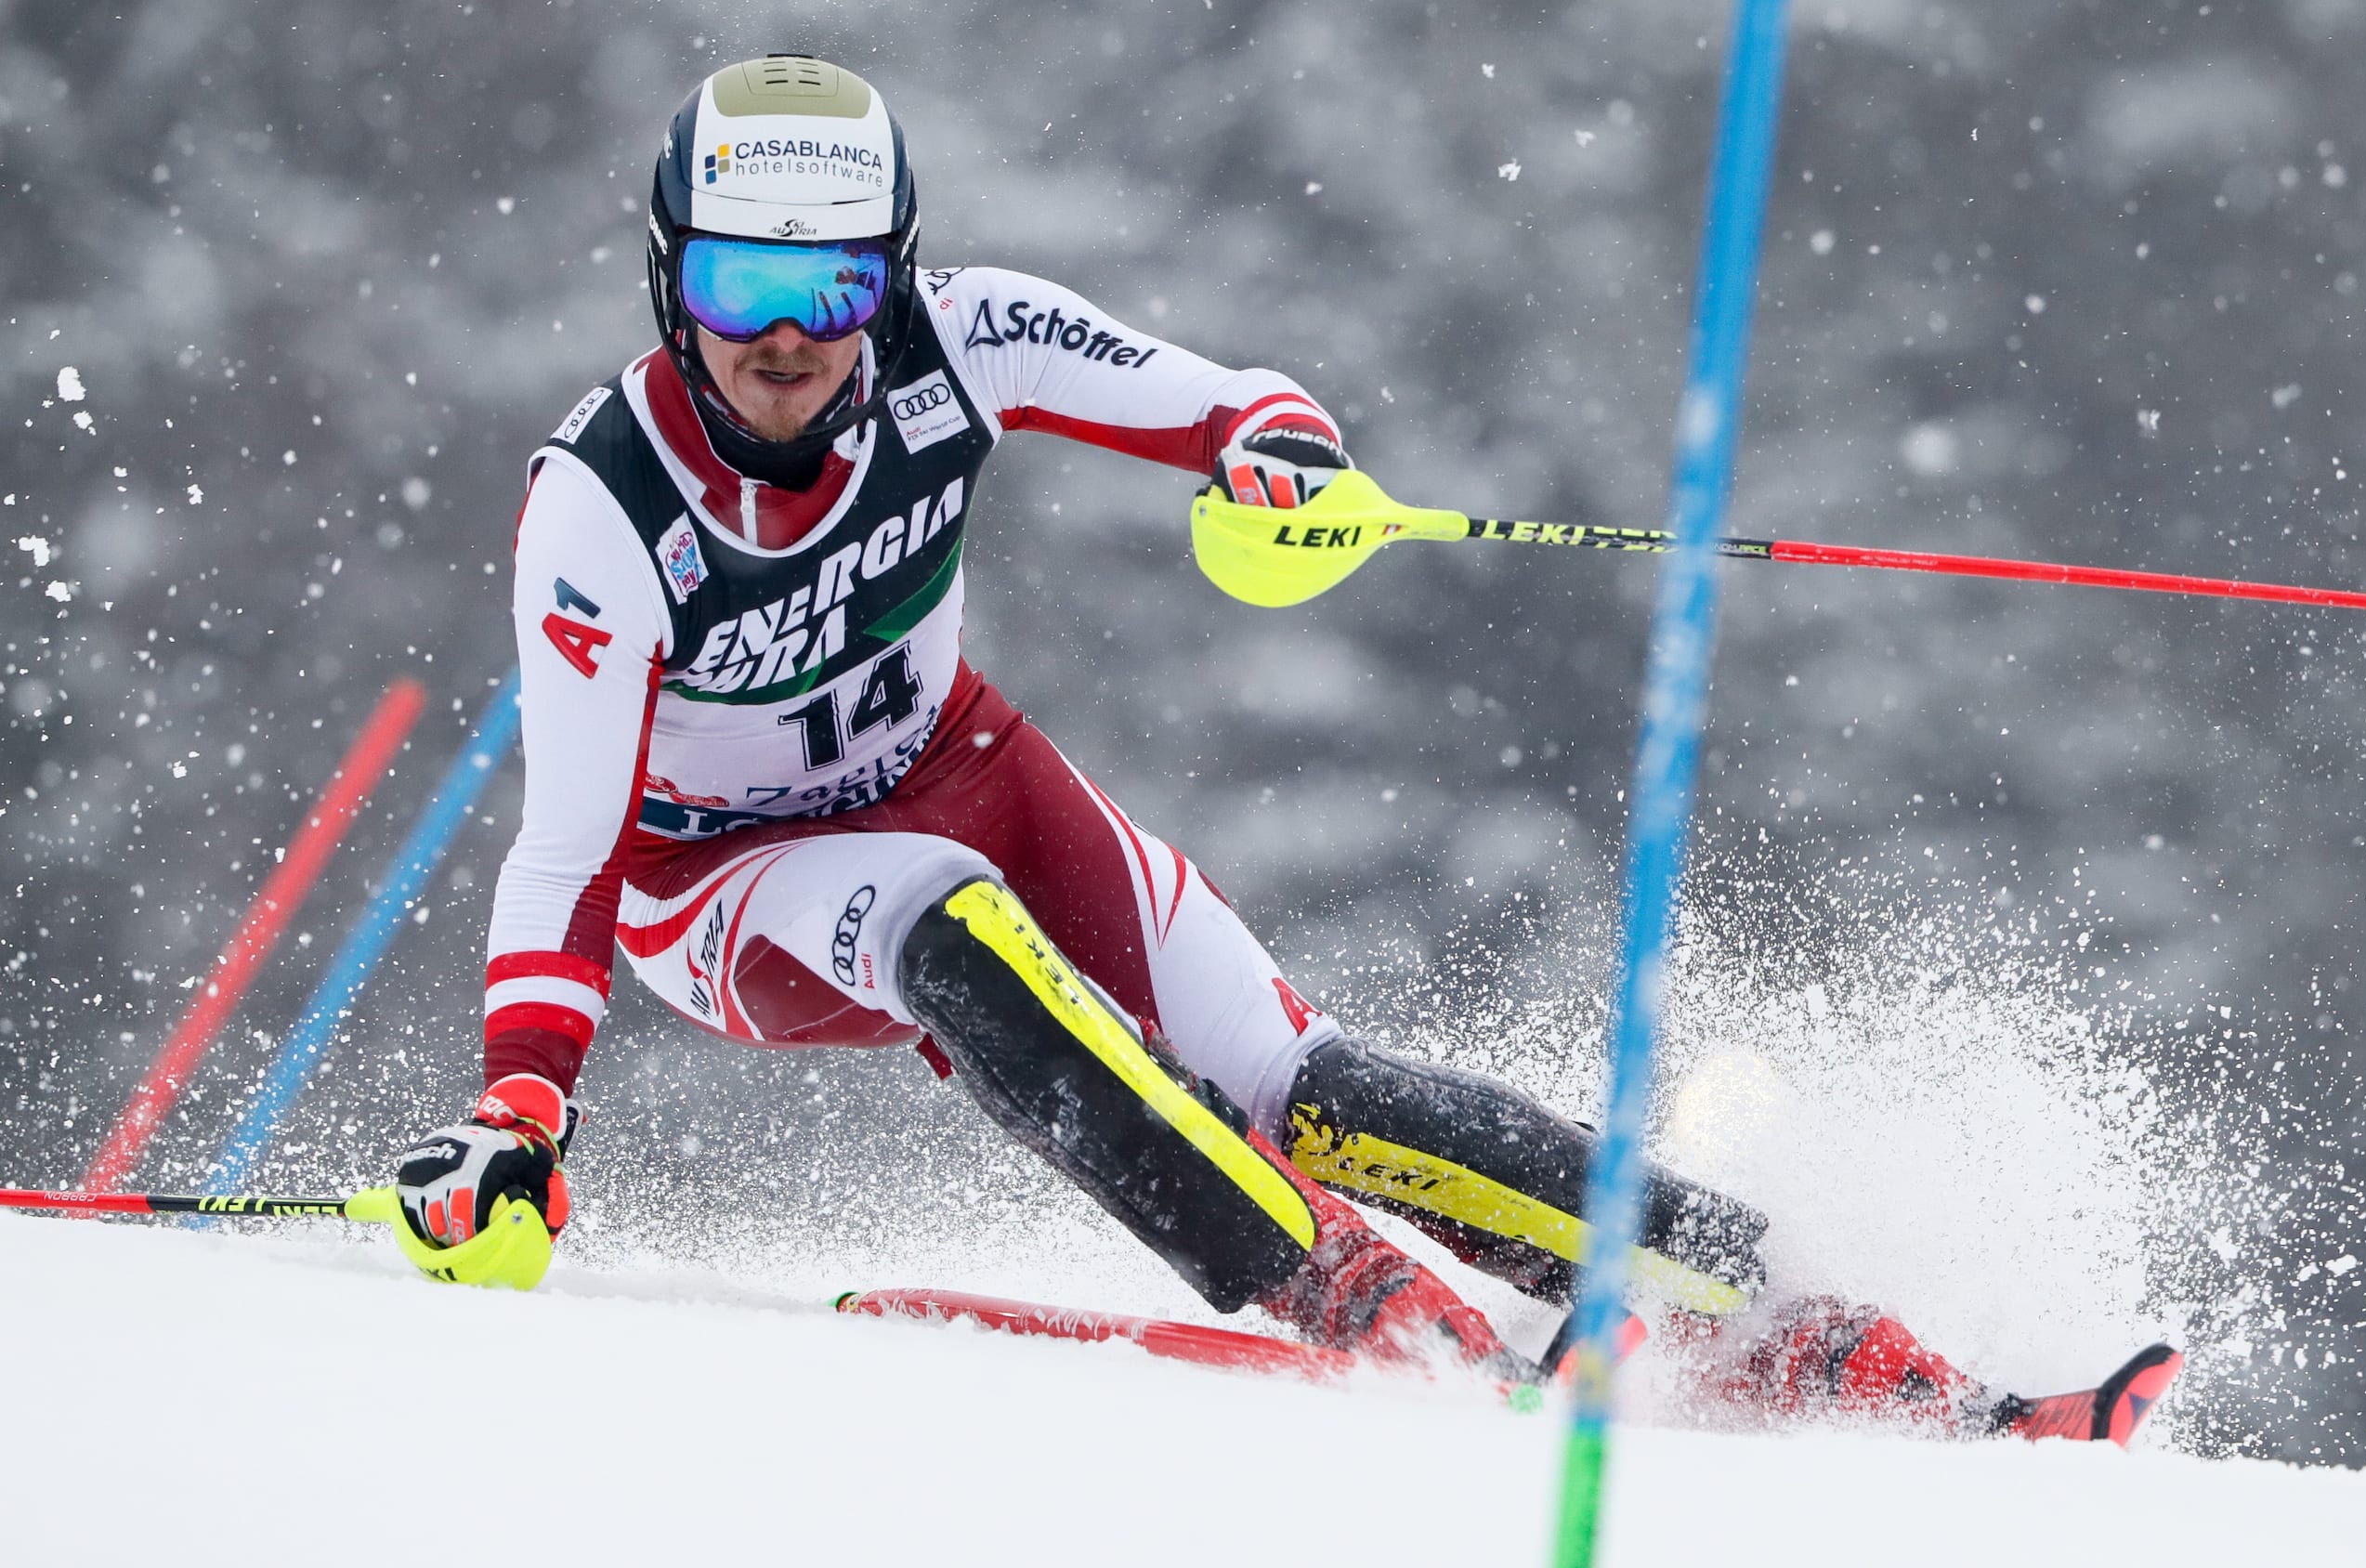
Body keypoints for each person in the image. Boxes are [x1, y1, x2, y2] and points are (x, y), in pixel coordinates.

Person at [385, 54, 2177, 1443]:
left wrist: (1280, 464)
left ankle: (1864, 1352)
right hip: (728, 886)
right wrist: (522, 1108)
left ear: (893, 276)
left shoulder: (961, 339)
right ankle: (1375, 1315)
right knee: (939, 913)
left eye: (835, 284)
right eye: (740, 279)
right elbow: (570, 846)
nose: (786, 337)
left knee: (1291, 1078)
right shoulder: (601, 509)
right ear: (665, 272)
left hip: (961, 765)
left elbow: (1229, 399)